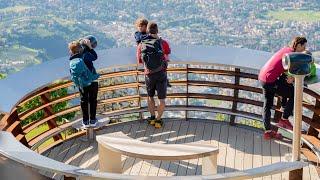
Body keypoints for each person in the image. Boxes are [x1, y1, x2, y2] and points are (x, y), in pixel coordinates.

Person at [259, 36, 307, 140]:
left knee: (267, 105)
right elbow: (291, 73)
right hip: (270, 80)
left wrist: (290, 77)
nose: (304, 49)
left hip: (263, 77)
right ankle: (284, 119)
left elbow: (284, 70)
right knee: (295, 93)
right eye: (303, 46)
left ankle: (268, 132)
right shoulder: (292, 55)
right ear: (298, 45)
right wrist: (293, 78)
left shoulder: (286, 49)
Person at [136, 22, 170, 128]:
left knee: (150, 96)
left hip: (149, 75)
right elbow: (167, 54)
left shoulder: (142, 44)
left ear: (147, 31)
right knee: (162, 100)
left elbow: (140, 60)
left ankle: (152, 117)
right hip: (161, 74)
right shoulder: (163, 42)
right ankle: (158, 121)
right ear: (157, 30)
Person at [69, 36, 100, 128]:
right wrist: (89, 47)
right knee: (93, 100)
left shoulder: (72, 58)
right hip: (92, 80)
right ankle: (93, 120)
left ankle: (85, 121)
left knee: (84, 100)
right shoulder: (86, 54)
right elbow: (95, 57)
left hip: (81, 83)